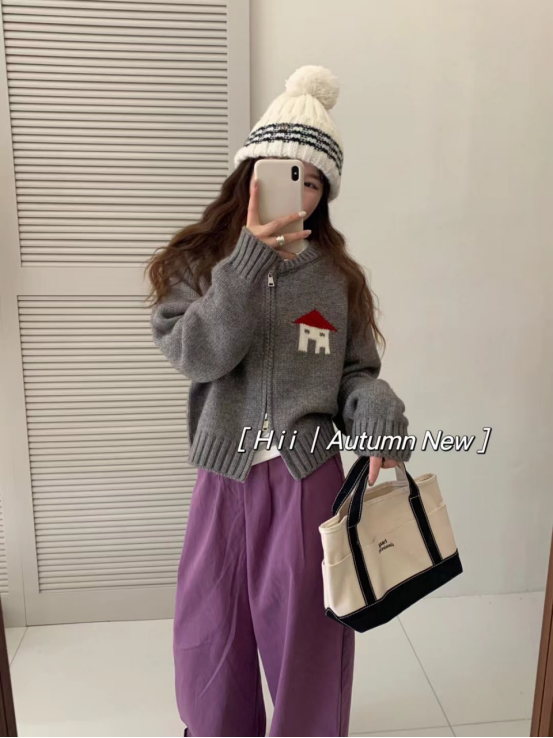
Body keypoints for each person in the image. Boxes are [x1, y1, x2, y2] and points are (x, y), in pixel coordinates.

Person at [146, 65, 412, 737]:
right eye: (285, 171)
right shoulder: (198, 262)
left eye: (314, 180)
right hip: (223, 477)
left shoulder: (336, 277)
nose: (301, 189)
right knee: (210, 632)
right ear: (251, 173)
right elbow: (195, 356)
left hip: (305, 478)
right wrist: (244, 266)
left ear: (325, 194)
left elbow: (354, 374)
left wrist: (376, 407)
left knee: (308, 638)